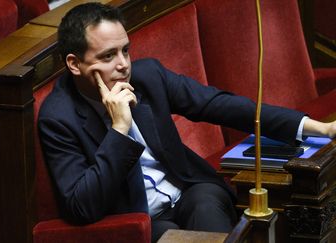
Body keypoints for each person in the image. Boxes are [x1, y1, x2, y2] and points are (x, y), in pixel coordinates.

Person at [38, 2, 336, 242]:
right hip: (139, 220)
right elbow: (81, 205)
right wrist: (119, 129)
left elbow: (222, 105)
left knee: (208, 205)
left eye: (125, 50)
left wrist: (317, 128)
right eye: (108, 56)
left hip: (189, 193)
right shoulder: (58, 117)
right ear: (75, 64)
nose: (123, 65)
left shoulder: (148, 76)